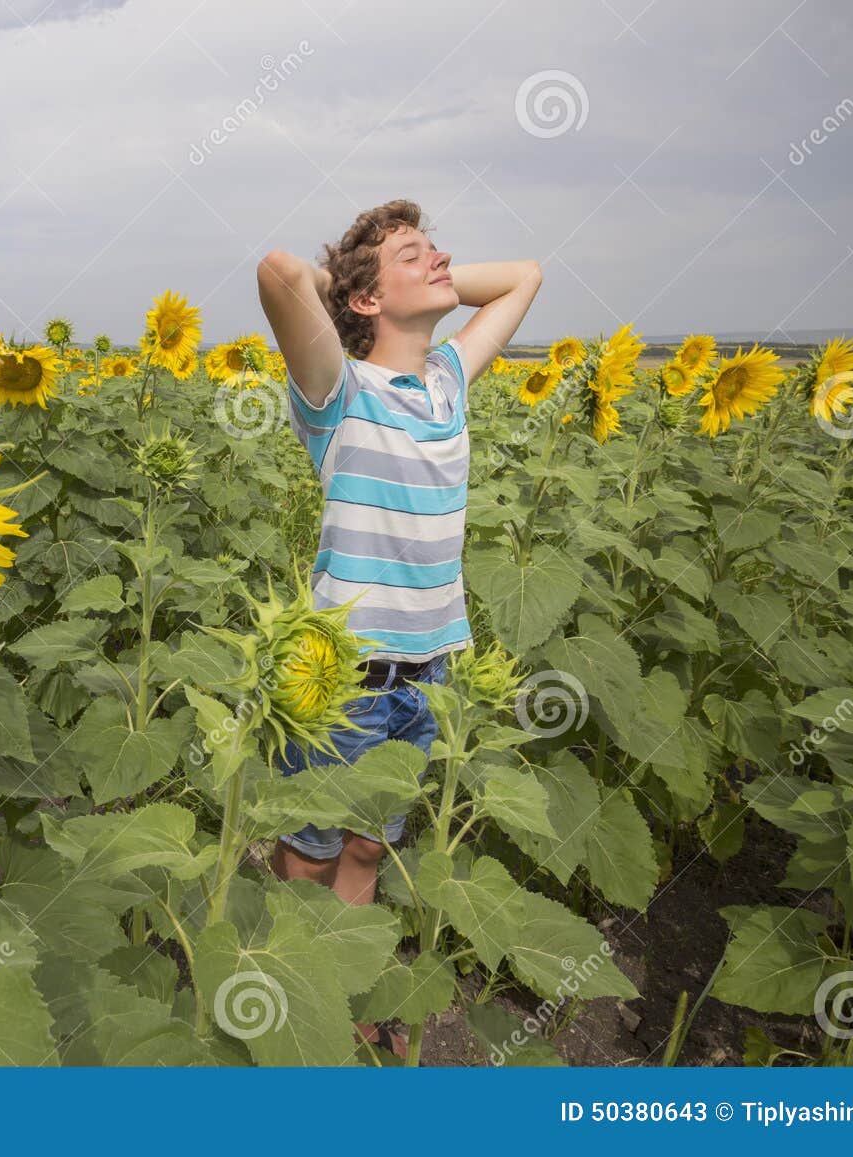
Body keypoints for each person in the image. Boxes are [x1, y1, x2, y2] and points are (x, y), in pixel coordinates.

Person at [254, 200, 542, 1059]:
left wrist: (426, 273)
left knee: (368, 853)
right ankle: (281, 994)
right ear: (367, 302)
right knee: (306, 850)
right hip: (342, 675)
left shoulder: (450, 379)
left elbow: (525, 276)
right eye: (417, 255)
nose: (444, 259)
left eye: (441, 250)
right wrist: (343, 283)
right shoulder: (337, 388)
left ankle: (336, 1001)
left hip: (430, 675)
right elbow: (276, 271)